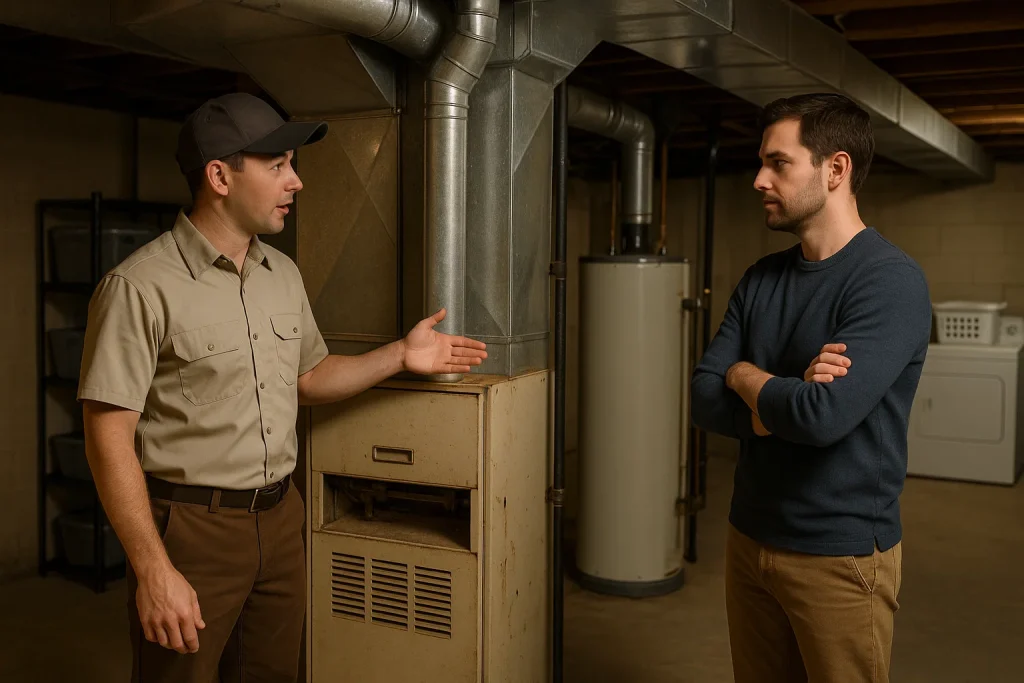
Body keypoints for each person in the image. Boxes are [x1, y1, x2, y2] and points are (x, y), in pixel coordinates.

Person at [76, 92, 488, 683]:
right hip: (194, 530)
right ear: (219, 175)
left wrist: (400, 354)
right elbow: (106, 439)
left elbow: (308, 378)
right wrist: (152, 569)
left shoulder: (281, 273)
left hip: (279, 517)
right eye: (277, 167)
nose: (296, 183)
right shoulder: (139, 287)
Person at [690, 92, 932, 683]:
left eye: (778, 162)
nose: (758, 179)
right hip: (749, 537)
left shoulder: (889, 283)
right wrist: (780, 393)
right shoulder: (761, 278)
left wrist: (743, 375)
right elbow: (702, 395)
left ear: (836, 169)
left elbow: (822, 418)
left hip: (840, 556)